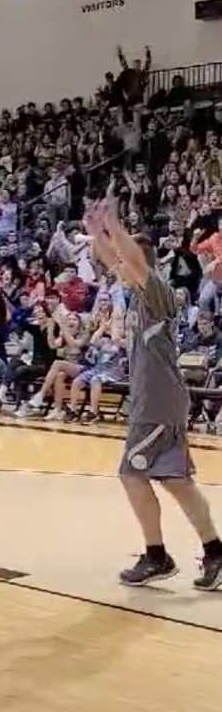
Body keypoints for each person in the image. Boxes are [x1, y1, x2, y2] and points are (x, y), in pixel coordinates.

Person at [84, 200, 222, 590]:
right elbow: (114, 259)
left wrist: (112, 222)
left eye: (124, 259)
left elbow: (128, 258)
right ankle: (215, 552)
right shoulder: (134, 292)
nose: (116, 266)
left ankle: (157, 555)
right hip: (160, 398)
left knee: (131, 473)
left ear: (138, 261)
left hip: (158, 400)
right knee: (177, 481)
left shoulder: (157, 289)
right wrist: (97, 233)